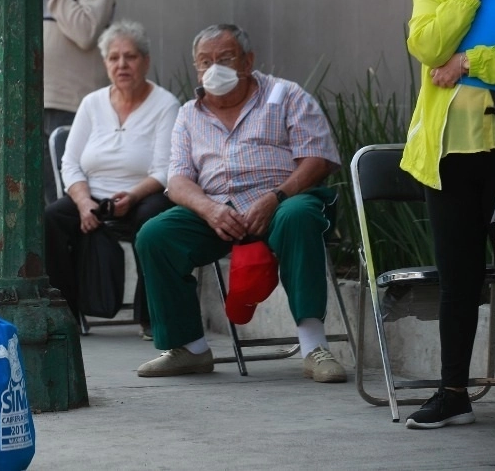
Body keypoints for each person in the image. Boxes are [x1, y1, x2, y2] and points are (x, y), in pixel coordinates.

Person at [135, 24, 347, 384]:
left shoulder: (285, 95)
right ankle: (190, 348)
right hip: (218, 212)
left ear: (248, 61)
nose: (213, 68)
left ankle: (313, 346)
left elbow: (318, 158)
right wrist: (209, 209)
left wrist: (277, 196)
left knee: (299, 216)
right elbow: (179, 181)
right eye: (204, 62)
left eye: (225, 58)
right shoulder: (189, 114)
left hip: (282, 201)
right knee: (155, 235)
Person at [399, 0, 495, 428]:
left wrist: (469, 61)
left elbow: (453, 56)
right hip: (448, 158)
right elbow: (427, 45)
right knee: (458, 278)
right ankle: (453, 391)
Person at [45, 21, 179, 330]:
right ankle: (65, 313)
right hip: (92, 197)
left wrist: (132, 196)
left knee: (154, 221)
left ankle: (150, 317)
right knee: (51, 218)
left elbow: (165, 169)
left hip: (144, 195)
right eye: (114, 58)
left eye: (130, 57)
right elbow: (70, 163)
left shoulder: (165, 105)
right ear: (105, 64)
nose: (122, 65)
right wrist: (82, 202)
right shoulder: (92, 103)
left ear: (145, 61)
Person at [42, 0, 115, 206]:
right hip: (37, 98)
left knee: (65, 197)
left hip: (71, 102)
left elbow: (85, 33)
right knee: (41, 195)